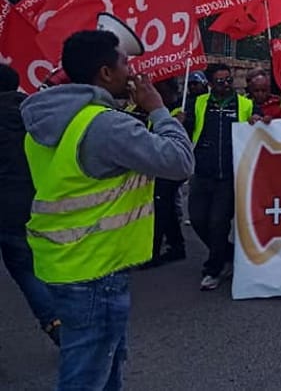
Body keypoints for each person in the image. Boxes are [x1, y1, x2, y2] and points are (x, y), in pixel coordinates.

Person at [20, 30, 194, 389]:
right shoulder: (104, 125)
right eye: (125, 62)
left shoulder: (52, 117)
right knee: (87, 375)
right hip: (95, 271)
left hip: (63, 261)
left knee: (103, 361)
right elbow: (179, 162)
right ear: (105, 73)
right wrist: (158, 110)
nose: (132, 71)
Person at [0, 63, 60, 345]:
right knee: (29, 270)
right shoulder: (33, 116)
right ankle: (54, 321)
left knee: (25, 267)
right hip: (29, 206)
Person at [184, 63, 256, 291]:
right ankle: (229, 254)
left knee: (218, 223)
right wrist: (180, 119)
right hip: (201, 173)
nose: (225, 85)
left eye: (228, 80)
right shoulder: (198, 103)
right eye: (220, 81)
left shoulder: (245, 104)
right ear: (210, 84)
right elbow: (187, 129)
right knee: (197, 220)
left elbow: (256, 127)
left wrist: (257, 120)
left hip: (228, 176)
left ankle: (214, 268)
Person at [140, 78, 188, 269]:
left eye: (159, 89)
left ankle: (153, 252)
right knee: (164, 208)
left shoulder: (179, 110)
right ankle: (176, 246)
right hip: (157, 166)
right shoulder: (152, 109)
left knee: (160, 208)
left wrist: (178, 123)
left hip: (172, 167)